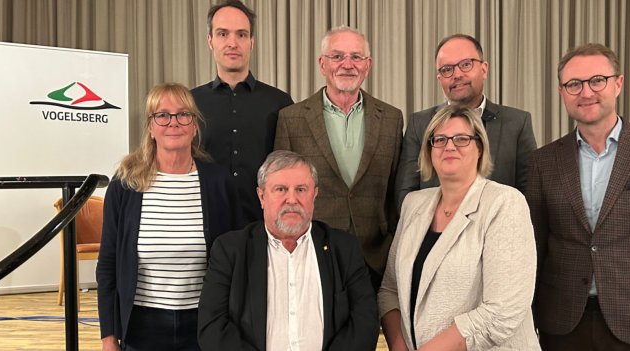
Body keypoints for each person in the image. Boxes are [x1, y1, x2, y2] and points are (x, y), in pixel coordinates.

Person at [526, 43, 630, 350]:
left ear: (618, 83)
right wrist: (525, 325)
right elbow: (533, 250)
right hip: (561, 322)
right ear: (562, 92)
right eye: (574, 84)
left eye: (597, 80)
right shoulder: (543, 161)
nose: (586, 92)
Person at [378, 104, 539, 351]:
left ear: (480, 148)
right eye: (439, 139)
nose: (449, 146)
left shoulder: (504, 203)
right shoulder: (414, 205)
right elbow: (390, 290)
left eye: (462, 139)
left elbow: (502, 312)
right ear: (429, 150)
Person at [97, 83, 239, 351]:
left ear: (195, 125)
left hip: (203, 325)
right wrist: (109, 337)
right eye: (162, 115)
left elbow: (234, 261)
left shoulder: (218, 183)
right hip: (141, 327)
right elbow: (107, 265)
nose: (173, 122)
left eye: (183, 114)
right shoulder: (125, 184)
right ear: (150, 127)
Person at [197, 150, 379, 350]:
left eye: (301, 189)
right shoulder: (230, 250)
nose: (291, 199)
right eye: (281, 189)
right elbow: (212, 327)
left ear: (314, 194)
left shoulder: (344, 249)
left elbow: (364, 323)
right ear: (262, 196)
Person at [275, 26, 403, 292]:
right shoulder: (291, 119)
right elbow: (282, 191)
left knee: (368, 333)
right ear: (323, 64)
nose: (347, 64)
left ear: (368, 66)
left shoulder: (391, 118)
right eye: (337, 56)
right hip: (313, 254)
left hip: (375, 257)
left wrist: (391, 241)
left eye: (356, 57)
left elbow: (396, 189)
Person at [395, 34, 537, 211]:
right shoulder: (420, 123)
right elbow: (405, 194)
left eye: (466, 64)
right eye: (447, 69)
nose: (457, 74)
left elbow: (530, 193)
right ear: (439, 78)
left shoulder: (517, 123)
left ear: (484, 69)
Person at [192, 0, 294, 226]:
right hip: (203, 228)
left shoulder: (280, 102)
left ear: (252, 42)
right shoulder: (190, 103)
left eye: (241, 34)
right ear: (210, 41)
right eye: (222, 34)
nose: (232, 43)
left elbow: (290, 171)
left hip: (265, 230)